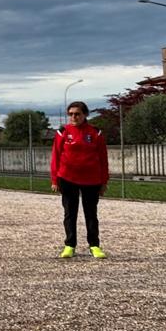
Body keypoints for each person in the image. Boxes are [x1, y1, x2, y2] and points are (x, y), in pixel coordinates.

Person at [50, 101, 110, 259]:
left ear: (85, 115)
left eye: (77, 114)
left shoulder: (95, 133)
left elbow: (103, 159)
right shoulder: (63, 132)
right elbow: (55, 157)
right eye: (70, 114)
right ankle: (70, 245)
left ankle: (94, 246)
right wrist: (54, 179)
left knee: (91, 214)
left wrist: (104, 182)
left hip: (92, 180)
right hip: (67, 178)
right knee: (70, 213)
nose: (73, 117)